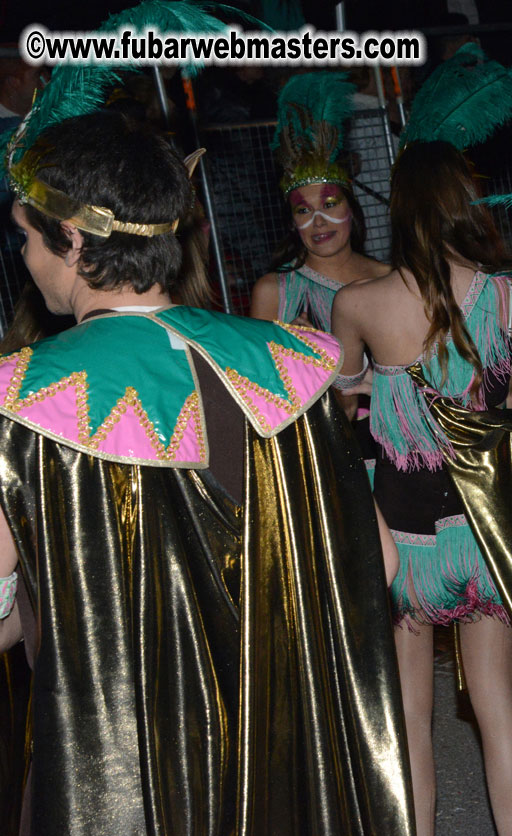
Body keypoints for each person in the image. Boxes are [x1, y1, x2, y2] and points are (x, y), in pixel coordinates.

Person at [0, 104, 414, 834]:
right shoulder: (289, 368)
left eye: (26, 236)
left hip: (130, 776)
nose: (25, 259)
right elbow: (373, 564)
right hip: (281, 757)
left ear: (70, 238)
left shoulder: (27, 399)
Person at [332, 44, 512, 835]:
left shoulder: (359, 303)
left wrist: (388, 390)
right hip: (483, 527)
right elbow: (511, 401)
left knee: (411, 715)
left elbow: (347, 414)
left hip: (403, 536)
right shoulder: (510, 293)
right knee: (495, 711)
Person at [250, 72, 390, 332]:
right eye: (303, 210)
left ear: (351, 208)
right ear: (292, 222)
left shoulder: (388, 278)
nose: (319, 222)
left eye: (329, 204)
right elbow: (257, 373)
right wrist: (289, 350)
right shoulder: (273, 292)